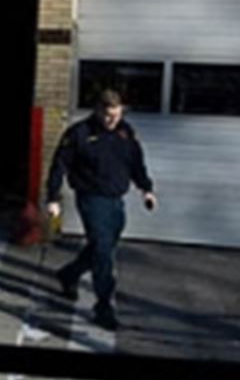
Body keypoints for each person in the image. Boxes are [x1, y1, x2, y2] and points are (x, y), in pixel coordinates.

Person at [45, 88, 157, 330]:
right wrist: (52, 198)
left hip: (116, 200)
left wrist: (146, 189)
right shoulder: (79, 134)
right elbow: (59, 166)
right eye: (108, 116)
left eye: (116, 115)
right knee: (104, 251)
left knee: (100, 246)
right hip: (91, 198)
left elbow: (136, 163)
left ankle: (69, 274)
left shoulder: (125, 133)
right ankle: (104, 306)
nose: (112, 121)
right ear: (97, 110)